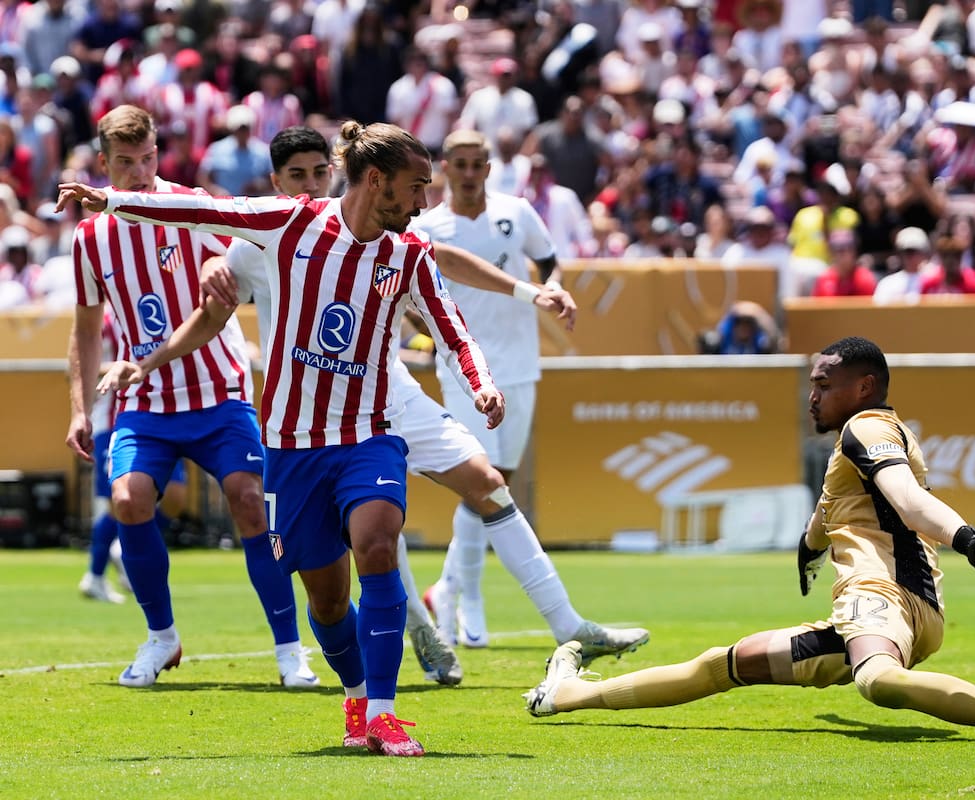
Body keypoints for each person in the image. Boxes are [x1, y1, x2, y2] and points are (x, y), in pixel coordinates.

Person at [60, 119, 505, 758]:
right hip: (295, 446)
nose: (423, 203)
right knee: (326, 601)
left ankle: (384, 712)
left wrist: (481, 382)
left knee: (378, 545)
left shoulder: (408, 255)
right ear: (376, 180)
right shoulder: (291, 224)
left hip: (369, 434)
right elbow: (204, 207)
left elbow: (453, 328)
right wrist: (115, 200)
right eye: (415, 188)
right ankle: (355, 696)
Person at [195, 125, 648, 684]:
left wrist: (529, 295)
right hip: (311, 414)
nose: (309, 183)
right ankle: (415, 625)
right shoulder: (263, 236)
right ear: (275, 180)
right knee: (348, 565)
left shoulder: (392, 224)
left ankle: (566, 625)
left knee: (477, 484)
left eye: (319, 172)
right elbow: (211, 298)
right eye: (296, 175)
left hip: (389, 391)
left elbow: (446, 264)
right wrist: (200, 271)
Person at [523, 336, 975, 747]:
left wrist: (971, 542)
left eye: (823, 383)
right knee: (723, 666)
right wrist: (810, 547)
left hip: (881, 596)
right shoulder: (859, 443)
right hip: (904, 610)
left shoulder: (866, 427)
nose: (811, 394)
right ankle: (568, 695)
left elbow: (908, 502)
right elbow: (831, 514)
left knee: (878, 683)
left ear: (863, 388)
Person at [62, 105, 317, 692]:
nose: (138, 171)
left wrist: (211, 263)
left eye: (147, 157)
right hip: (146, 399)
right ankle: (161, 637)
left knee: (249, 501)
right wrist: (78, 407)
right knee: (127, 499)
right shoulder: (91, 237)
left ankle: (288, 650)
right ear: (103, 164)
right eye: (124, 162)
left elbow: (233, 253)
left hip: (219, 389)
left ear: (159, 153)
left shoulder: (188, 203)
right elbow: (83, 329)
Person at [411, 129, 647, 657]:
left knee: (503, 479)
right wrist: (426, 330)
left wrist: (556, 285)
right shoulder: (426, 226)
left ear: (489, 167)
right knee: (483, 478)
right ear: (445, 168)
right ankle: (465, 598)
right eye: (461, 164)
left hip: (520, 362)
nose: (470, 173)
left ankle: (447, 587)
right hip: (463, 367)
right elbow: (410, 292)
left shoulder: (517, 212)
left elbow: (550, 261)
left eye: (478, 164)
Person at [79, 307, 188, 604]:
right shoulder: (97, 318)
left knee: (176, 497)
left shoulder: (159, 304)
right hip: (114, 420)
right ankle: (95, 575)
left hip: (164, 414)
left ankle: (122, 547)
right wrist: (119, 368)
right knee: (120, 501)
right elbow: (76, 367)